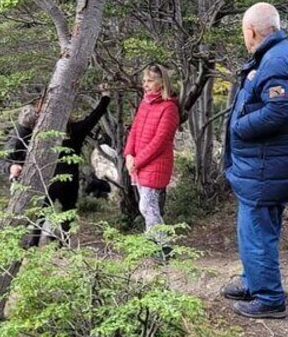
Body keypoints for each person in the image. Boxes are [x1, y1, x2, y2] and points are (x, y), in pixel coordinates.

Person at [220, 2, 288, 319]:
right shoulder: (280, 54)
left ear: (251, 30)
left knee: (257, 230)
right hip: (268, 165)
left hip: (265, 166)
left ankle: (269, 298)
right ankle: (254, 281)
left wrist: (239, 128)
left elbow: (280, 110)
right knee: (256, 229)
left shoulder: (275, 60)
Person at [9, 86, 111, 244]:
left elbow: (19, 147)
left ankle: (34, 242)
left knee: (42, 210)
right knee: (68, 210)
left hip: (47, 176)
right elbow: (95, 116)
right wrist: (105, 97)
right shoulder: (75, 129)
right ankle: (64, 242)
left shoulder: (40, 130)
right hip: (70, 177)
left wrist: (17, 163)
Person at [123, 64, 180, 235]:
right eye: (144, 81)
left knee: (147, 206)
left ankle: (162, 246)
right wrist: (128, 155)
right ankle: (154, 246)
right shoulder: (145, 102)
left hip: (155, 163)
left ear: (162, 83)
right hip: (138, 164)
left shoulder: (169, 107)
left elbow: (160, 141)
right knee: (147, 207)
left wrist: (137, 161)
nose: (145, 84)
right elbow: (134, 130)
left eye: (150, 81)